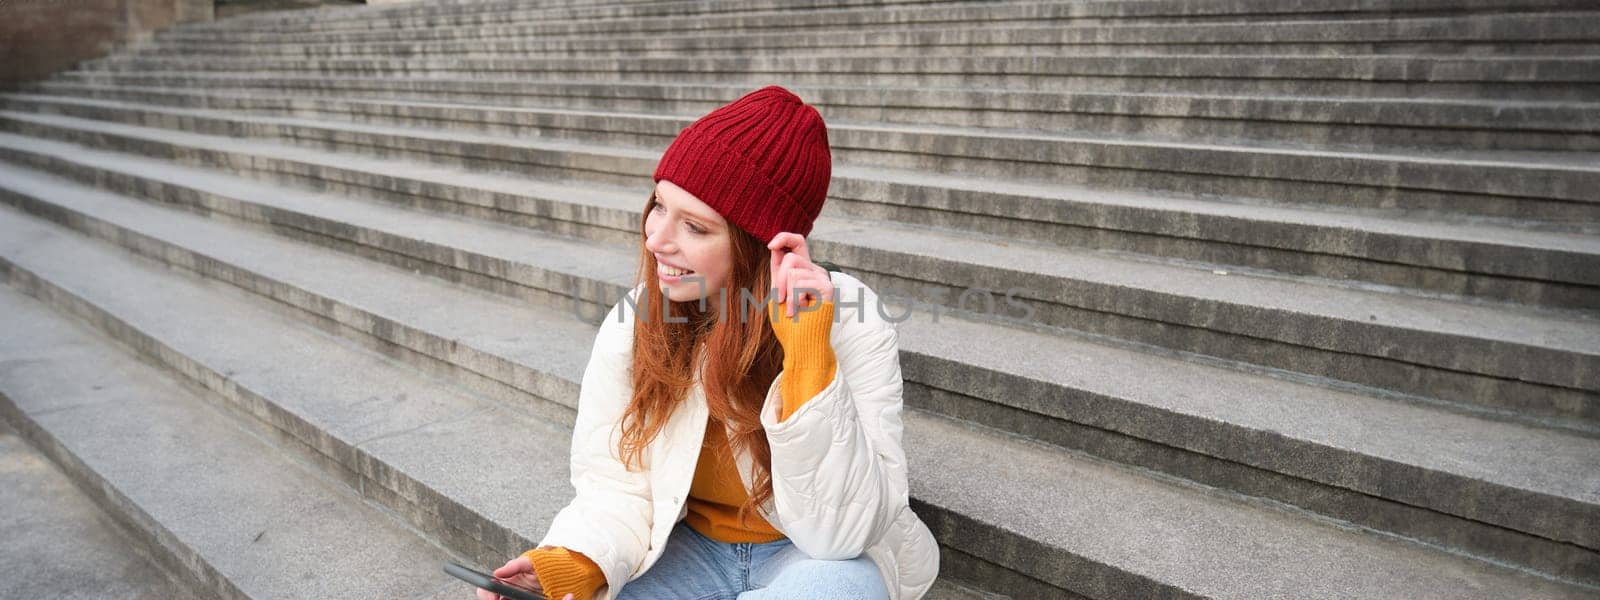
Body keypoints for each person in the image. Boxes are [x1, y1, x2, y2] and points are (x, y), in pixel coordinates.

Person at [476, 85, 939, 600]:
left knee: (840, 589)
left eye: (694, 226)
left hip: (806, 558)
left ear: (759, 246)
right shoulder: (638, 318)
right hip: (685, 552)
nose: (656, 240)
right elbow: (614, 480)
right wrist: (572, 564)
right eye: (659, 206)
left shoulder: (849, 319)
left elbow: (839, 535)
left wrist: (808, 355)